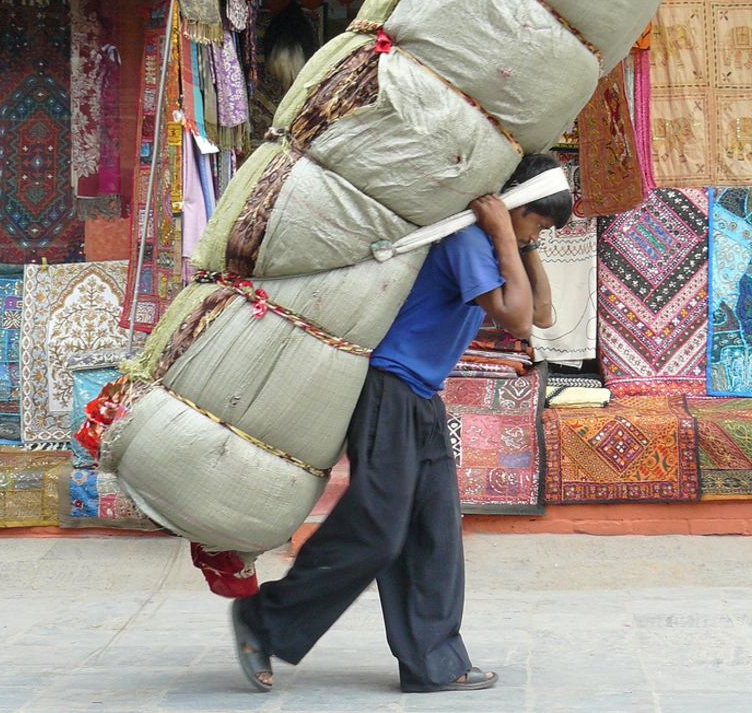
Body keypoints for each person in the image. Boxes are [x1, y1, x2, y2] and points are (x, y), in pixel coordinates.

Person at [231, 152, 572, 694]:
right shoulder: (466, 241)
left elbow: (544, 314)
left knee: (433, 534)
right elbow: (516, 318)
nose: (538, 237)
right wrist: (506, 236)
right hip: (387, 390)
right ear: (512, 209)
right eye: (538, 223)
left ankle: (433, 662)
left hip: (420, 399)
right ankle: (262, 620)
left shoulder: (496, 245)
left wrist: (522, 242)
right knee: (376, 530)